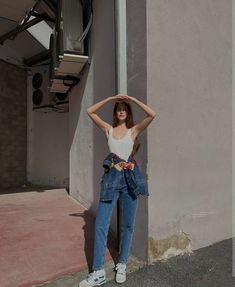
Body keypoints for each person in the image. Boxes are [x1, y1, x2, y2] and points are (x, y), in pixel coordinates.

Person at [79, 94, 157, 287]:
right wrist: (112, 98)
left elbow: (152, 114)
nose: (121, 110)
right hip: (112, 180)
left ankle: (122, 264)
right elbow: (90, 111)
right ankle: (98, 272)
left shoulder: (133, 131)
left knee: (128, 226)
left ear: (128, 112)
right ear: (115, 113)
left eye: (124, 108)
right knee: (100, 225)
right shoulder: (108, 130)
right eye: (118, 108)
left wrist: (132, 99)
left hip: (130, 179)